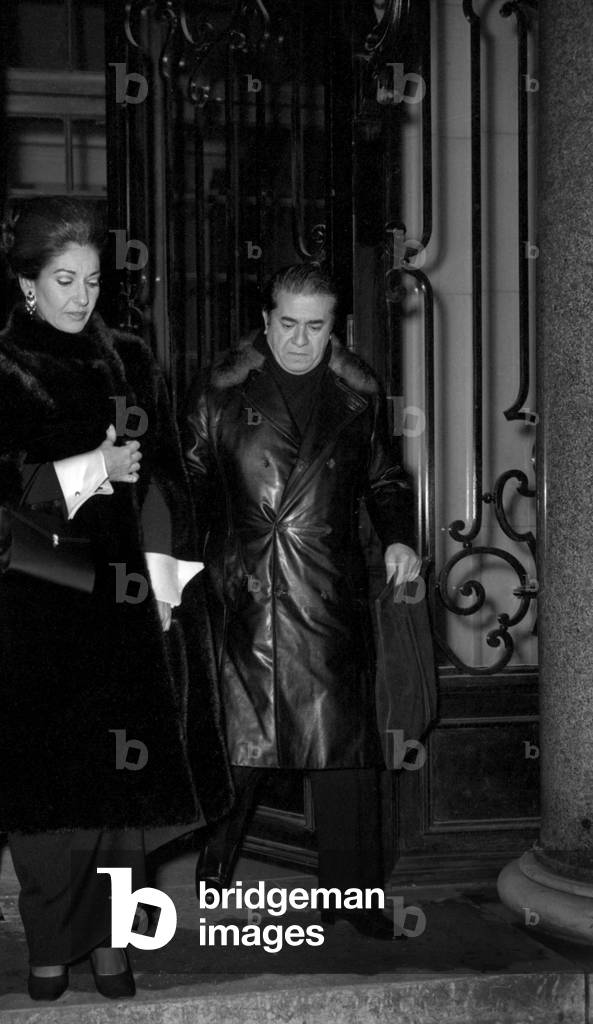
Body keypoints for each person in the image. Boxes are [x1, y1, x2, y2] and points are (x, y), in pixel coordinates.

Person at [0, 196, 231, 1000]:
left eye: (92, 280)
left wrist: (166, 579)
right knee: (48, 802)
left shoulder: (133, 360)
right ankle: (49, 947)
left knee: (120, 800)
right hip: (36, 616)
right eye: (64, 280)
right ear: (28, 283)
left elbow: (170, 477)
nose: (81, 296)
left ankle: (113, 945)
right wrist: (91, 472)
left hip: (126, 615)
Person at [182, 262, 421, 940]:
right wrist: (183, 569)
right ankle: (212, 865)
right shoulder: (221, 393)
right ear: (265, 321)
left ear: (333, 327)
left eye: (315, 327)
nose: (298, 339)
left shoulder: (356, 398)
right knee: (241, 743)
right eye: (287, 323)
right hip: (245, 587)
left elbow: (385, 480)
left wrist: (398, 538)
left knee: (342, 749)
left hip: (327, 589)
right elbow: (186, 483)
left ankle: (353, 896)